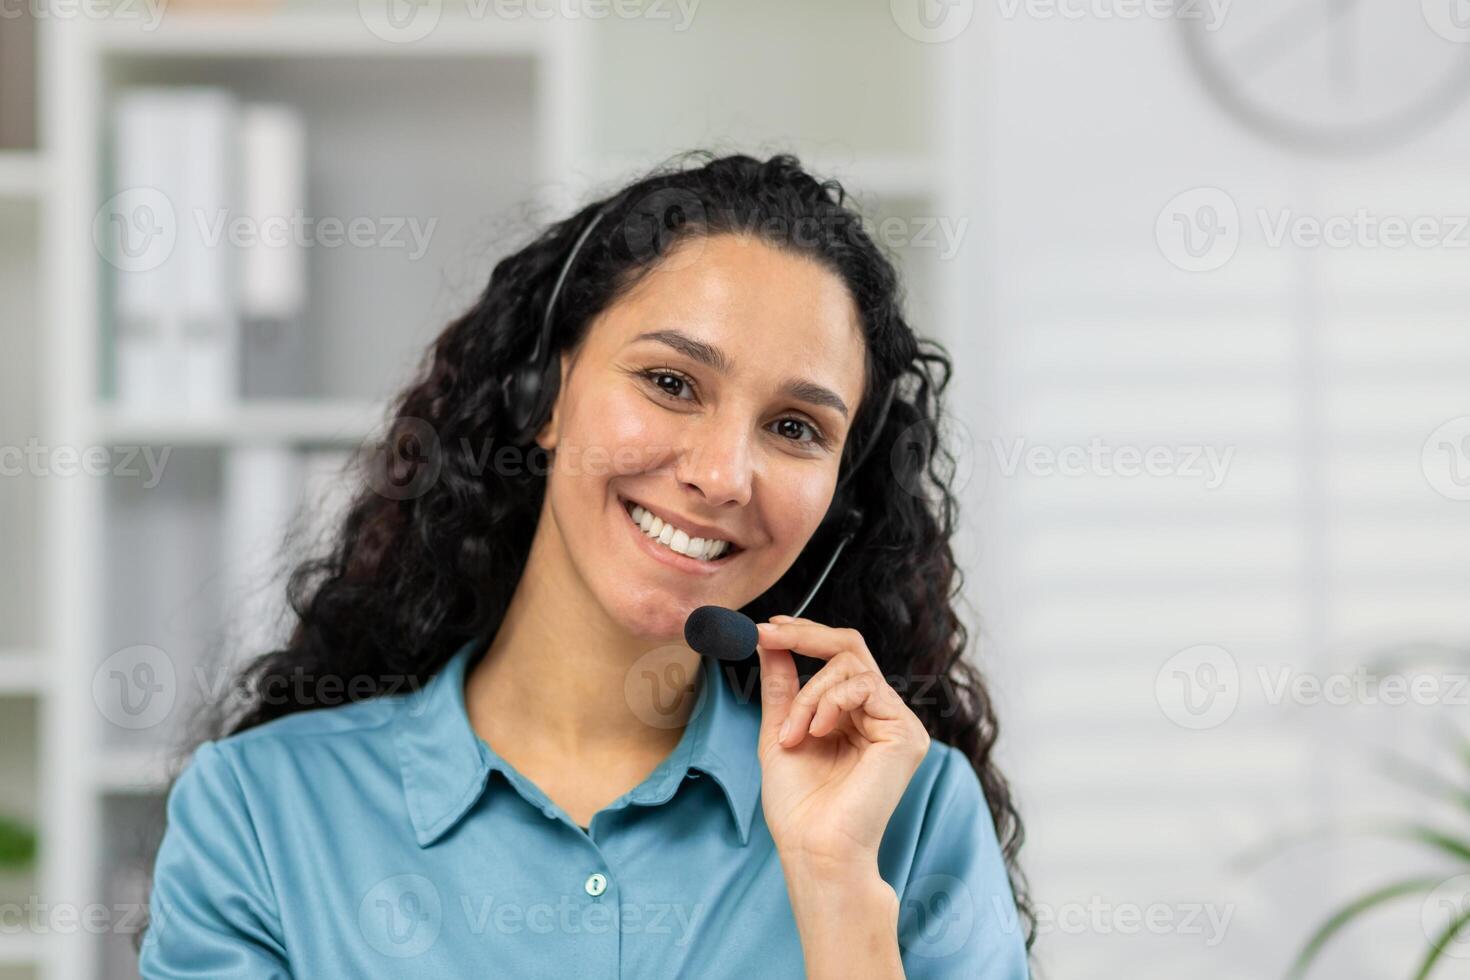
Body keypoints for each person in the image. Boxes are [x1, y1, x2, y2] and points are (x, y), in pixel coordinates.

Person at [138, 151, 1034, 978]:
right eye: (671, 383)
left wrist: (840, 898)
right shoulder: (258, 815)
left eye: (795, 428)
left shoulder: (907, 815)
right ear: (543, 393)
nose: (722, 476)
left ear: (840, 496)